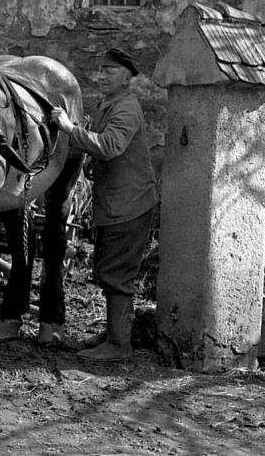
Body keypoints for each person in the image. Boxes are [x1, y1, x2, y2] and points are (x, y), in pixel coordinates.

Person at [50, 48, 157, 361]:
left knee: (117, 273)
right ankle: (113, 333)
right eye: (101, 70)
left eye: (110, 71)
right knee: (107, 269)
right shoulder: (108, 105)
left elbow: (109, 146)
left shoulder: (127, 108)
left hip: (130, 204)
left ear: (126, 77)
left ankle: (119, 345)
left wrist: (70, 130)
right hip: (116, 203)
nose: (103, 76)